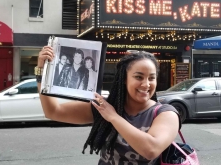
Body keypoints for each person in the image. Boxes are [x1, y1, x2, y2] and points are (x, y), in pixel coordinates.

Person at [36, 46, 181, 164]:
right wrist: (42, 72)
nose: (146, 84)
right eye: (138, 77)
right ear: (124, 78)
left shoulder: (166, 113)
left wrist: (113, 117)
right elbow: (54, 111)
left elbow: (151, 150)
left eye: (151, 78)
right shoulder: (105, 106)